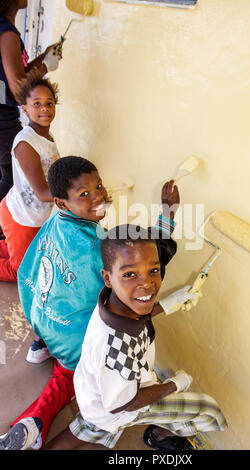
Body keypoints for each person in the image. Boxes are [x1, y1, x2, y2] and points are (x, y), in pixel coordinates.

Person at [0, 156, 198, 450]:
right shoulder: (97, 249)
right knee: (68, 376)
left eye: (100, 187)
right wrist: (167, 214)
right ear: (63, 203)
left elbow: (30, 268)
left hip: (40, 315)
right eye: (85, 194)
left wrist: (41, 323)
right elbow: (144, 263)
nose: (99, 196)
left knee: (62, 341)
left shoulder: (57, 220)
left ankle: (42, 348)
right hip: (71, 338)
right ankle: (35, 422)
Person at [43, 224, 227, 451]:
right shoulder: (118, 348)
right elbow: (124, 403)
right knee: (206, 409)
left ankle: (153, 430)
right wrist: (173, 385)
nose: (147, 283)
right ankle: (162, 435)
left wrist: (168, 304)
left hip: (95, 394)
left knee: (86, 428)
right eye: (130, 274)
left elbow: (135, 313)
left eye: (154, 270)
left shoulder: (112, 299)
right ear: (107, 277)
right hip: (119, 405)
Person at [0, 70, 59, 282]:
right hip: (20, 216)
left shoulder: (47, 137)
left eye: (49, 103)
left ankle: (9, 246)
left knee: (18, 251)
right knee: (22, 272)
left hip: (33, 216)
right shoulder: (26, 143)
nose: (44, 108)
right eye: (37, 104)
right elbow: (43, 192)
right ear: (24, 109)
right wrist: (75, 195)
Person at [0, 0, 62, 203]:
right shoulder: (7, 34)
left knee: (8, 176)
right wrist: (45, 66)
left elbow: (17, 75)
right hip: (3, 120)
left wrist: (44, 57)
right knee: (12, 180)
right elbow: (19, 90)